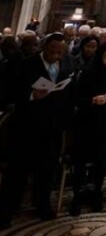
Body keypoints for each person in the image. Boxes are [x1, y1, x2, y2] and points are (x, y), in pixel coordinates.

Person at [0, 33, 75, 228]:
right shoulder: (26, 65)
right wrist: (32, 95)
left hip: (53, 126)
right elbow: (9, 92)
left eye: (60, 53)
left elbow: (69, 94)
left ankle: (42, 204)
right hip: (27, 126)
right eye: (52, 51)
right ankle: (7, 209)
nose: (55, 56)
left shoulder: (66, 66)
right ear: (44, 48)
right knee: (18, 171)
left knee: (47, 169)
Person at [69, 41, 106, 216]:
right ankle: (77, 197)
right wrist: (92, 100)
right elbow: (77, 96)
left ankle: (97, 192)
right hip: (87, 121)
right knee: (81, 161)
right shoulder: (89, 71)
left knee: (101, 160)